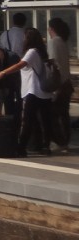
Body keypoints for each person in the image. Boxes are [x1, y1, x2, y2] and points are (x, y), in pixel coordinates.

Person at [0, 27, 53, 157]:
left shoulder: (31, 52)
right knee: (44, 121)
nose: (23, 39)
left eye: (25, 37)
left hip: (33, 91)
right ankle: (44, 146)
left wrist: (3, 72)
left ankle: (21, 148)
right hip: (44, 92)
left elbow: (20, 65)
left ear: (28, 39)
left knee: (27, 120)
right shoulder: (42, 52)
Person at [47, 18, 72, 152]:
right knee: (64, 115)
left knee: (53, 115)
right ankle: (65, 141)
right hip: (67, 84)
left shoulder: (53, 42)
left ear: (51, 29)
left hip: (58, 85)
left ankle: (59, 141)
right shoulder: (63, 41)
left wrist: (54, 87)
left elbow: (53, 64)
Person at [0, 12, 28, 122]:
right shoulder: (25, 34)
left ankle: (9, 118)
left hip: (7, 67)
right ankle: (20, 116)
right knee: (21, 94)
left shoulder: (4, 34)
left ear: (13, 21)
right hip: (22, 68)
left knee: (8, 95)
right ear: (24, 22)